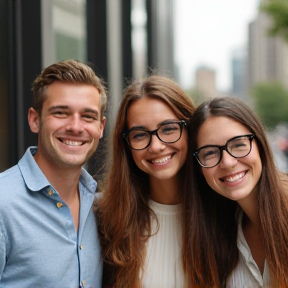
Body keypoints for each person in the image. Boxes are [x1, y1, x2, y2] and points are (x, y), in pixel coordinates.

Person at [0, 59, 107, 287]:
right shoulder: (3, 203)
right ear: (35, 120)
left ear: (101, 127)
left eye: (88, 116)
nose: (76, 127)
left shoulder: (101, 208)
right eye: (61, 113)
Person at [96, 75, 195, 288]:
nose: (156, 146)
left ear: (190, 130)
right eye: (140, 135)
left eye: (168, 129)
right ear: (127, 144)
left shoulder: (223, 212)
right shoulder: (105, 220)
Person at [188, 96, 288, 287]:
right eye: (210, 152)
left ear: (260, 144)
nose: (227, 162)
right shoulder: (216, 234)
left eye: (239, 145)